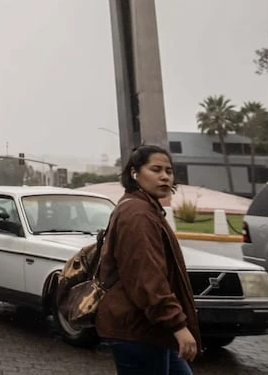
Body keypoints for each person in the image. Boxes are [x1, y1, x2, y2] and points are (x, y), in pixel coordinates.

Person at [96, 145, 201, 374]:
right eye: (156, 169)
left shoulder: (144, 207)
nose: (165, 176)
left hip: (151, 327)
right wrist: (178, 325)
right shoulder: (138, 214)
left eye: (169, 171)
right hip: (138, 331)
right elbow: (148, 277)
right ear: (135, 173)